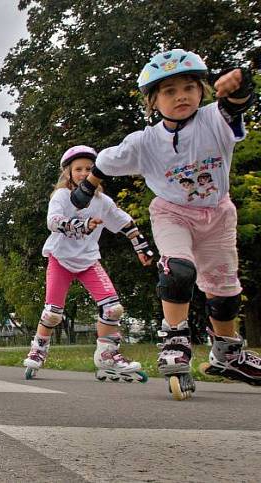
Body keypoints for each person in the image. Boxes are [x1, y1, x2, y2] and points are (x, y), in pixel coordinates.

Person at [70, 49, 259, 399]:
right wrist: (86, 187)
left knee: (225, 290)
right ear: (153, 102)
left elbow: (236, 105)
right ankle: (175, 338)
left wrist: (239, 86)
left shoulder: (213, 120)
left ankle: (227, 352)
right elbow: (106, 162)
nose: (182, 96)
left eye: (189, 87)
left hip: (218, 212)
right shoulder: (144, 141)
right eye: (170, 92)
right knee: (178, 270)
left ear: (202, 91)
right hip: (172, 211)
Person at [23, 146, 153, 382]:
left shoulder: (102, 201)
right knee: (53, 313)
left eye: (89, 169)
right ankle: (39, 349)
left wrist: (140, 246)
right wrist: (80, 225)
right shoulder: (62, 196)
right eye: (78, 169)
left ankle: (107, 355)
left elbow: (125, 222)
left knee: (113, 308)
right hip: (61, 258)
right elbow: (52, 221)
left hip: (89, 260)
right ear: (69, 173)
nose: (84, 173)